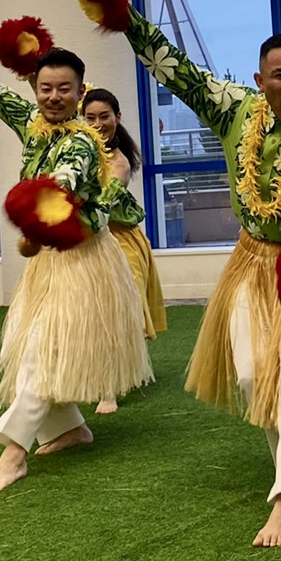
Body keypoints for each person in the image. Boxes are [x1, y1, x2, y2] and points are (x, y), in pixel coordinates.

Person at [110, 0, 281, 548]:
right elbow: (175, 69)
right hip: (251, 264)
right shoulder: (234, 110)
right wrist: (124, 14)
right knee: (256, 376)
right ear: (260, 79)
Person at [0, 18, 151, 492]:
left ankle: (13, 454)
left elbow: (64, 184)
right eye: (46, 88)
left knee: (40, 350)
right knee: (26, 345)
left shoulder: (81, 141)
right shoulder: (33, 125)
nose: (54, 97)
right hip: (48, 258)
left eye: (64, 89)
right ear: (35, 89)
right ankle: (70, 428)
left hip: (82, 258)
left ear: (80, 92)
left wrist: (36, 217)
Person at [81, 86, 167, 415]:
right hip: (86, 241)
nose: (98, 124)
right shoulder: (74, 153)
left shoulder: (120, 163)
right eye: (90, 117)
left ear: (117, 117)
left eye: (104, 116)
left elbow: (101, 206)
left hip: (120, 240)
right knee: (91, 315)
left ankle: (111, 387)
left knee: (121, 311)